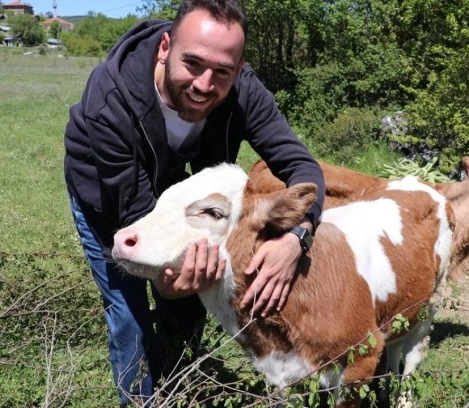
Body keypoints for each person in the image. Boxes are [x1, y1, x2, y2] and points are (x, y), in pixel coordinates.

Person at [63, 0, 325, 405]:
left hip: (183, 195)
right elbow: (137, 216)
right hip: (108, 198)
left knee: (192, 301)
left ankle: (177, 387)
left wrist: (297, 238)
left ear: (238, 69)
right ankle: (140, 400)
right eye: (193, 64)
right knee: (129, 315)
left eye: (222, 71)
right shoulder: (110, 100)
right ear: (165, 47)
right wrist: (167, 285)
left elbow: (302, 167)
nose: (205, 84)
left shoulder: (243, 92)